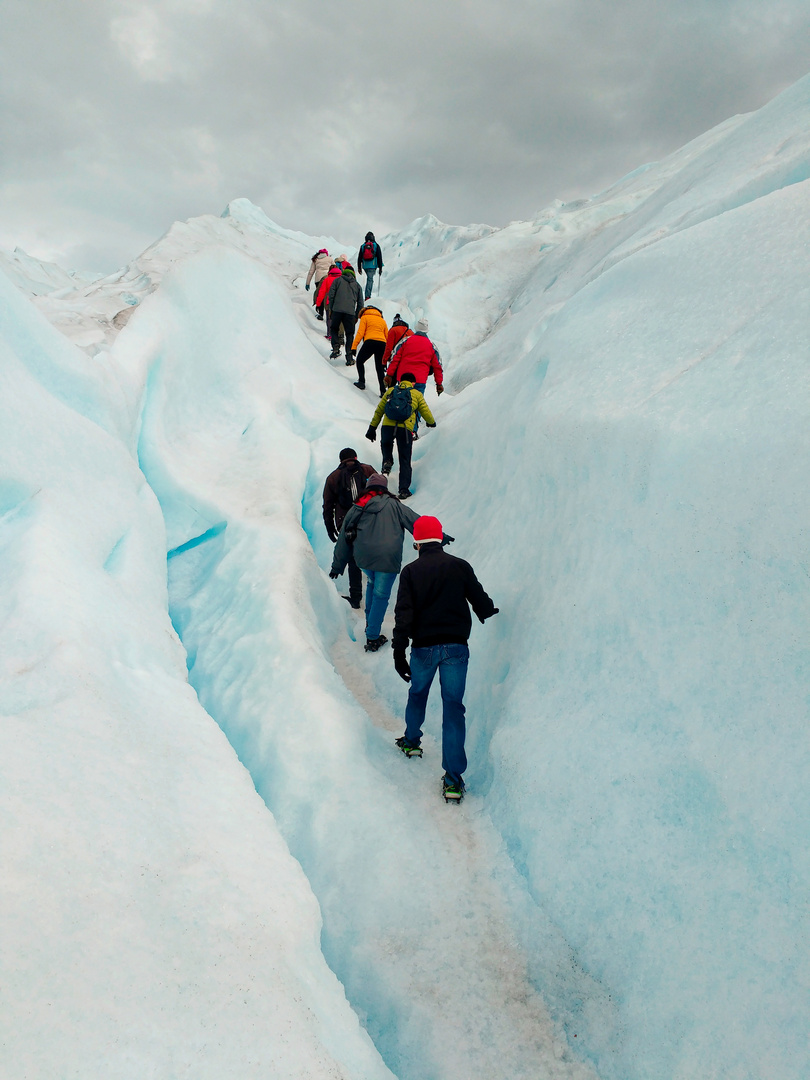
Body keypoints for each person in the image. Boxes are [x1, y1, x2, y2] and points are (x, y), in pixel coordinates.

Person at [391, 514, 498, 801]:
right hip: (455, 647)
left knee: (418, 694)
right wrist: (486, 611)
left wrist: (398, 650)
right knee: (453, 708)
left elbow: (404, 614)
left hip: (423, 648)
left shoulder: (411, 572)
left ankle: (412, 741)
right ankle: (453, 781)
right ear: (439, 538)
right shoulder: (459, 566)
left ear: (417, 542)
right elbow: (478, 597)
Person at [330, 473, 419, 652]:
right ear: (385, 488)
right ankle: (372, 637)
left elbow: (343, 538)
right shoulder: (394, 505)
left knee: (372, 584)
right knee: (380, 596)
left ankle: (370, 624)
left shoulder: (359, 505)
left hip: (364, 559)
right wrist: (439, 536)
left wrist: (337, 565)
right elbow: (417, 523)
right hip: (387, 559)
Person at [365, 372, 435, 499]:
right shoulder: (416, 394)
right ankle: (403, 490)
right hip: (405, 429)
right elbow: (425, 410)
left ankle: (387, 462)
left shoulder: (391, 391)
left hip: (387, 427)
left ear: (400, 381)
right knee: (404, 458)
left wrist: (372, 428)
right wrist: (431, 422)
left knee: (386, 445)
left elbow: (379, 410)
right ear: (413, 383)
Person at [323, 448, 376, 609]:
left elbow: (328, 506)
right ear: (355, 457)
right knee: (373, 557)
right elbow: (380, 491)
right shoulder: (367, 470)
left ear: (340, 460)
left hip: (345, 523)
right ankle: (376, 593)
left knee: (353, 558)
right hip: (369, 519)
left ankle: (356, 597)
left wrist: (330, 527)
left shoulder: (333, 477)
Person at [384, 318, 444, 434]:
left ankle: (398, 426)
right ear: (427, 330)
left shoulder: (406, 341)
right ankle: (412, 431)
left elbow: (395, 358)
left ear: (416, 328)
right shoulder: (431, 346)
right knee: (416, 405)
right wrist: (439, 384)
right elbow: (437, 366)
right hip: (419, 381)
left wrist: (389, 375)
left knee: (401, 401)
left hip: (403, 378)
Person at [328, 264, 363, 364]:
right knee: (349, 334)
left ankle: (335, 347)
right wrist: (356, 316)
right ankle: (349, 357)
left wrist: (332, 308)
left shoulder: (337, 281)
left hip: (337, 310)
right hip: (350, 313)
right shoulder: (357, 285)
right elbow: (360, 303)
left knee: (334, 328)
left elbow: (331, 295)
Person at [351, 304, 389, 395]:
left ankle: (361, 382)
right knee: (379, 368)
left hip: (370, 342)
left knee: (360, 361)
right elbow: (387, 336)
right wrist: (388, 352)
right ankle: (383, 391)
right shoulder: (382, 320)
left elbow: (360, 333)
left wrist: (354, 347)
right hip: (382, 344)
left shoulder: (365, 317)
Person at [317, 263, 342, 339]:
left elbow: (321, 292)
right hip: (340, 301)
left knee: (329, 318)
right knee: (339, 319)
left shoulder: (327, 279)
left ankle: (330, 334)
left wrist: (318, 304)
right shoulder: (342, 279)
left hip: (329, 302)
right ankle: (339, 334)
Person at [357, 232, 384, 301]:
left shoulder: (363, 246)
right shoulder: (376, 245)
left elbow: (359, 257)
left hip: (365, 266)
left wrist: (359, 268)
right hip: (372, 265)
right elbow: (379, 256)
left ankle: (367, 295)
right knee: (370, 280)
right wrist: (380, 268)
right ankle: (367, 296)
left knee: (369, 279)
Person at [306, 249, 331, 317]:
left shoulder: (316, 259)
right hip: (327, 278)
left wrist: (307, 283)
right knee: (327, 295)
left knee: (320, 295)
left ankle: (320, 313)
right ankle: (329, 313)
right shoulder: (330, 259)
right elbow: (335, 268)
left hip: (318, 279)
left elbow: (311, 272)